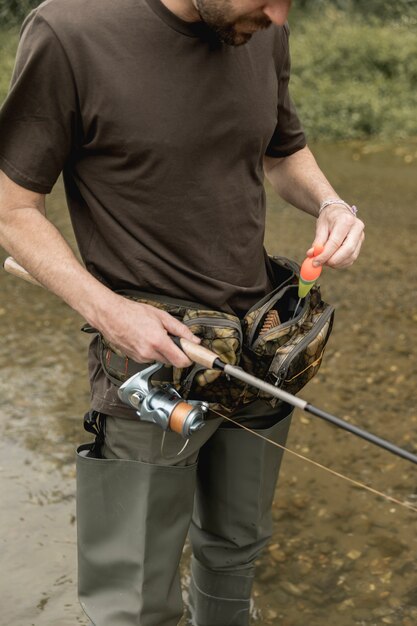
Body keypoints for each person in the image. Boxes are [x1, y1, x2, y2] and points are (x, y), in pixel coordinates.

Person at [0, 0, 365, 624]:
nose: (280, 16)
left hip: (263, 351)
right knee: (133, 598)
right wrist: (110, 311)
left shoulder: (262, 27)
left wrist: (332, 204)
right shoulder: (69, 32)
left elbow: (281, 152)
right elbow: (11, 208)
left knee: (235, 553)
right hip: (148, 368)